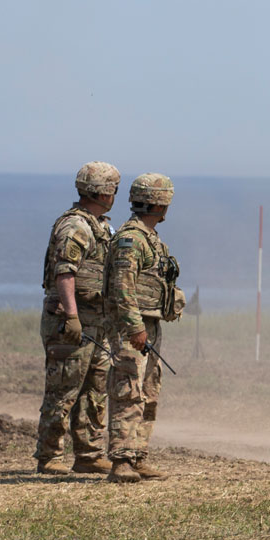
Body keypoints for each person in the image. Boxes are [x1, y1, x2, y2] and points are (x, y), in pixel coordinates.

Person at [35, 162, 120, 475]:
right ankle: (49, 455)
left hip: (95, 322)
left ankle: (88, 454)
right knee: (63, 389)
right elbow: (65, 273)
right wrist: (71, 315)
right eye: (112, 190)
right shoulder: (76, 227)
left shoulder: (99, 226)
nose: (115, 196)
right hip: (71, 320)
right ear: (102, 192)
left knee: (94, 391)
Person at [104, 173, 184, 483]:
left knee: (148, 390)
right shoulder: (132, 240)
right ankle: (122, 460)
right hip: (132, 327)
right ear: (160, 204)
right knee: (128, 390)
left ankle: (138, 455)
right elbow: (123, 287)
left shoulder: (150, 239)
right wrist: (135, 328)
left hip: (149, 323)